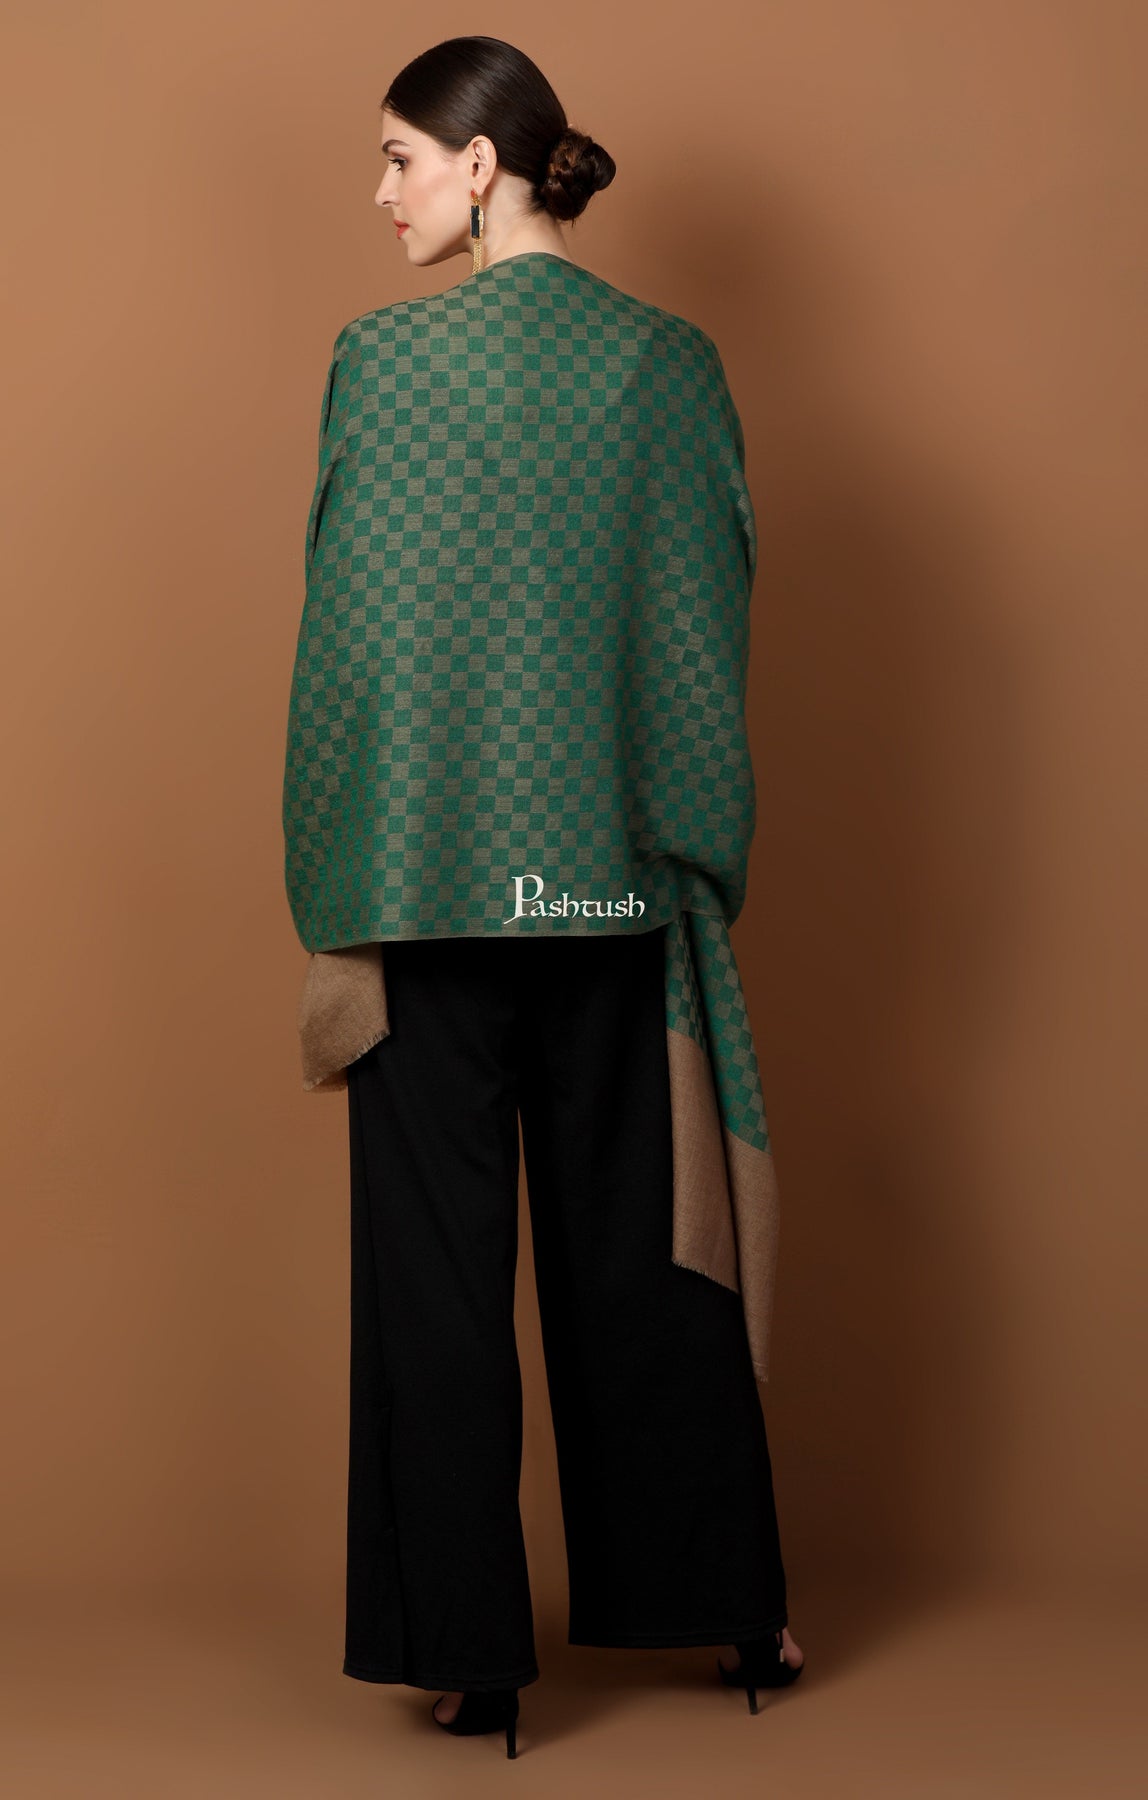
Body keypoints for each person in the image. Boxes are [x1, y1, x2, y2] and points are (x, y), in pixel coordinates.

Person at [282, 35, 805, 1760]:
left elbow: (347, 645)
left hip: (425, 882)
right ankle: (733, 1609)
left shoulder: (382, 365)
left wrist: (331, 875)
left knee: (435, 1285)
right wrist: (685, 854)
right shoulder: (671, 365)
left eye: (400, 159)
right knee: (650, 1260)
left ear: (483, 163)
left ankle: (472, 1656)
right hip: (610, 886)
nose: (383, 194)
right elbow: (705, 614)